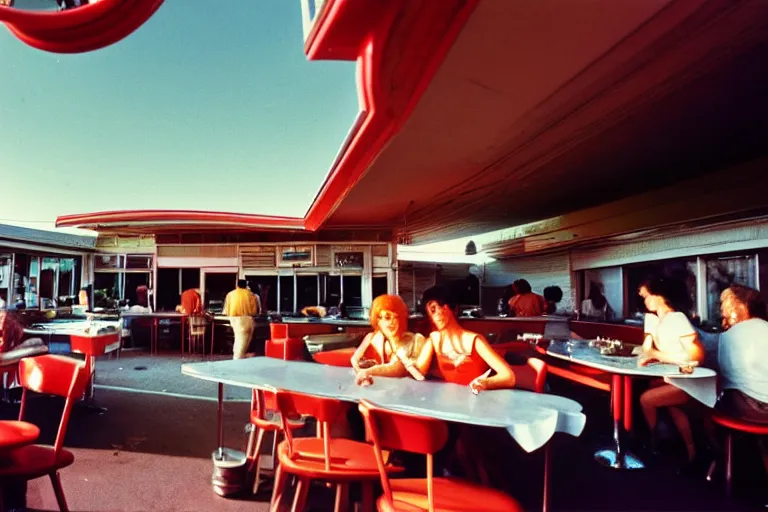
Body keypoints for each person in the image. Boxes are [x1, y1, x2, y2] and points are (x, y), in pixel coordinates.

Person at [637, 277, 705, 465]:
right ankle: (691, 449)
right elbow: (647, 350)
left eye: (648, 295)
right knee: (659, 393)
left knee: (646, 399)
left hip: (689, 378)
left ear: (661, 295)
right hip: (675, 377)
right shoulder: (655, 319)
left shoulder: (677, 318)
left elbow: (695, 357)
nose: (645, 300)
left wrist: (658, 355)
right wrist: (649, 333)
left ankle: (655, 444)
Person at [423, 284, 517, 392]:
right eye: (430, 313)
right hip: (447, 401)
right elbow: (418, 372)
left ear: (448, 308)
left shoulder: (475, 340)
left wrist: (484, 383)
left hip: (474, 400)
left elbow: (509, 377)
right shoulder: (435, 339)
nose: (433, 317)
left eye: (434, 309)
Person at [715, 285, 768, 423]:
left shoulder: (727, 336)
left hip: (752, 410)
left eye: (724, 302)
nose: (721, 309)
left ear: (739, 307)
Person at [350, 294, 430, 385]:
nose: (392, 322)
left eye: (396, 317)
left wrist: (368, 372)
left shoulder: (414, 340)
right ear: (377, 320)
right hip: (377, 388)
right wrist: (361, 370)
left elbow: (397, 369)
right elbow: (354, 359)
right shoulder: (371, 337)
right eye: (387, 317)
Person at [223, 279, 259, 359]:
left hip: (234, 319)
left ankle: (239, 356)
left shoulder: (230, 294)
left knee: (238, 339)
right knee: (244, 341)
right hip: (246, 319)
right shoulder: (251, 294)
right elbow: (254, 311)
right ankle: (238, 359)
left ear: (237, 285)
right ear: (246, 285)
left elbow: (227, 310)